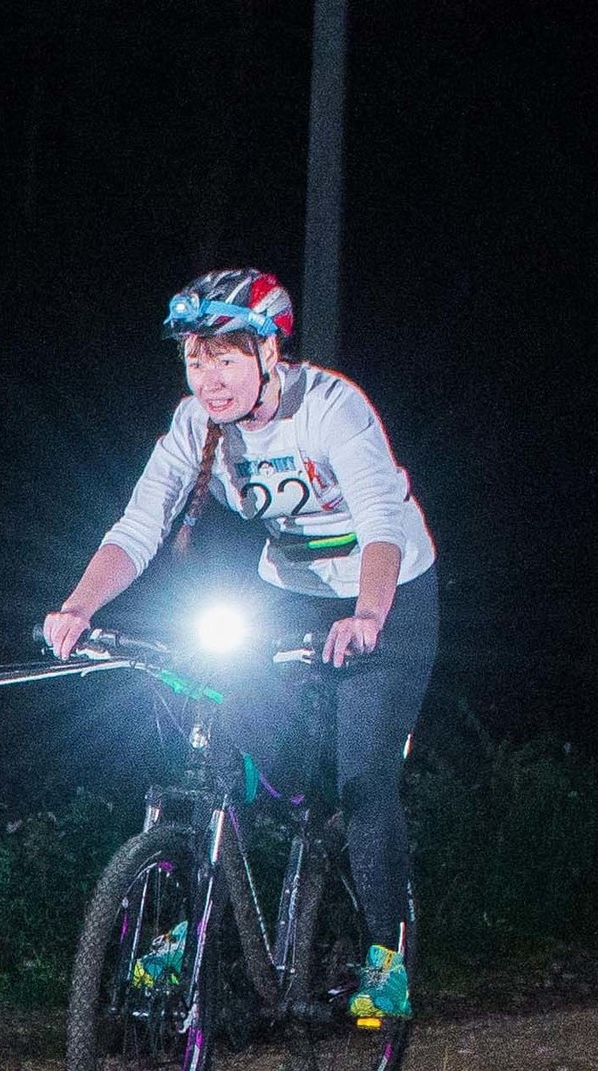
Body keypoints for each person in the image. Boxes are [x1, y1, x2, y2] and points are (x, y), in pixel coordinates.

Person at [43, 268, 438, 1020]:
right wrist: (76, 607)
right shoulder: (194, 428)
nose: (209, 378)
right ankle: (184, 932)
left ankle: (387, 965)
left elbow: (383, 521)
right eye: (196, 359)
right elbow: (136, 528)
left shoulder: (330, 409)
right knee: (229, 755)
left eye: (226, 358)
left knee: (363, 782)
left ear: (268, 353)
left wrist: (369, 613)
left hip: (390, 592)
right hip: (289, 589)